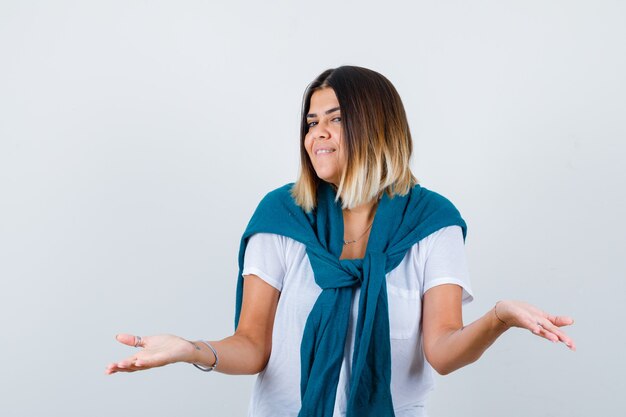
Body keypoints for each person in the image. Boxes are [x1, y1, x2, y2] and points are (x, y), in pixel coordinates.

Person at [106, 66, 575, 417]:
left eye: (335, 118)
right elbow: (251, 346)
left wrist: (499, 318)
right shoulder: (282, 216)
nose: (318, 134)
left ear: (377, 125)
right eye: (311, 122)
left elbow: (443, 351)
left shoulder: (432, 223)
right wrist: (190, 349)